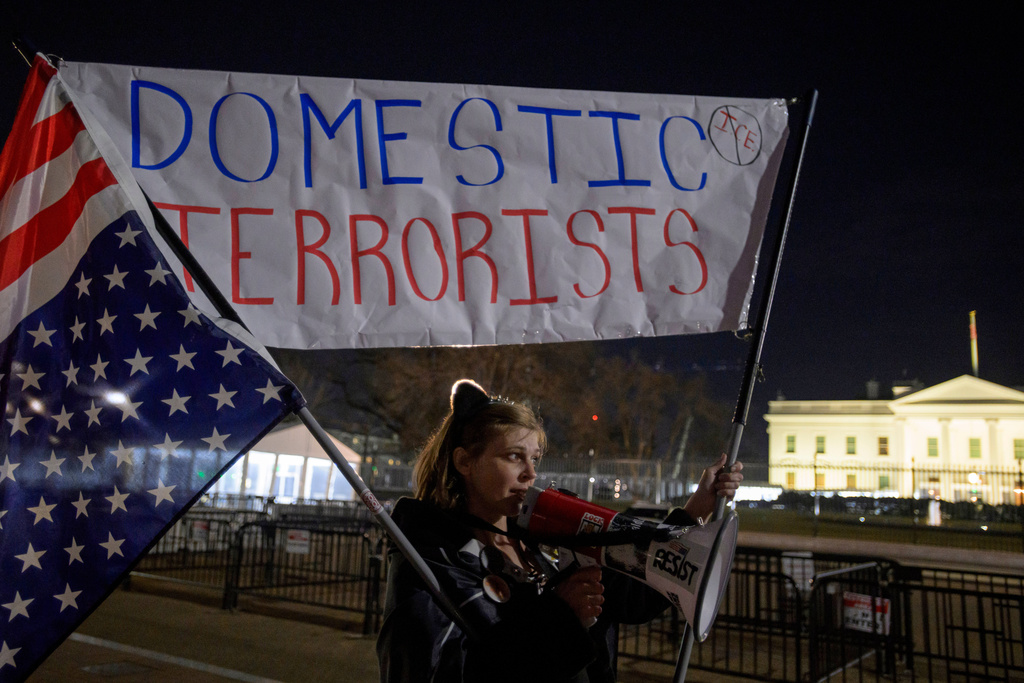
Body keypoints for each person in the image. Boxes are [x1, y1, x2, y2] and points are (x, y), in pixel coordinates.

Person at [376, 379, 743, 683]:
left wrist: (694, 512)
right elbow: (436, 671)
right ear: (464, 462)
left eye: (534, 458)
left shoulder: (548, 533)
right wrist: (559, 616)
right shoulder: (429, 557)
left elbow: (629, 595)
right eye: (513, 456)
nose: (530, 474)